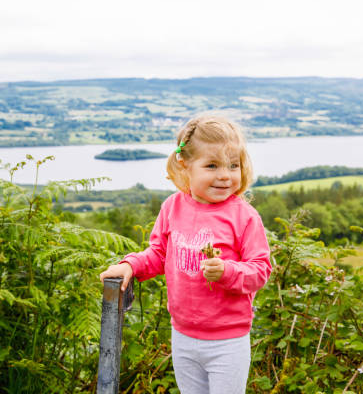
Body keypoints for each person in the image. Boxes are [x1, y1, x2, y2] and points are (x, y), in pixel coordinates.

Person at [99, 114, 272, 394]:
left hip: (227, 341)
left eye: (233, 165)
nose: (225, 175)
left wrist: (227, 272)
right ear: (185, 164)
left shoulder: (244, 216)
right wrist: (130, 266)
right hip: (183, 335)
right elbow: (158, 254)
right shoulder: (172, 208)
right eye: (212, 165)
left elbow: (260, 269)